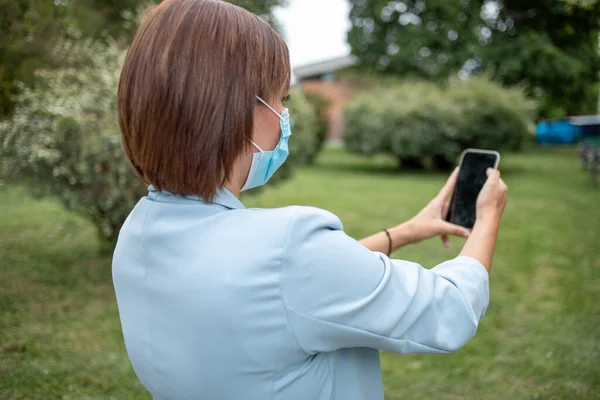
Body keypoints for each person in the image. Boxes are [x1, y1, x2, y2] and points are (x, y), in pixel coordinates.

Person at [112, 1, 509, 399]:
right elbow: (449, 309)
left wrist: (405, 232)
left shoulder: (139, 230)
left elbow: (283, 287)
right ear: (238, 110)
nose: (285, 116)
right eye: (281, 99)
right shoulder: (288, 248)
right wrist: (487, 214)